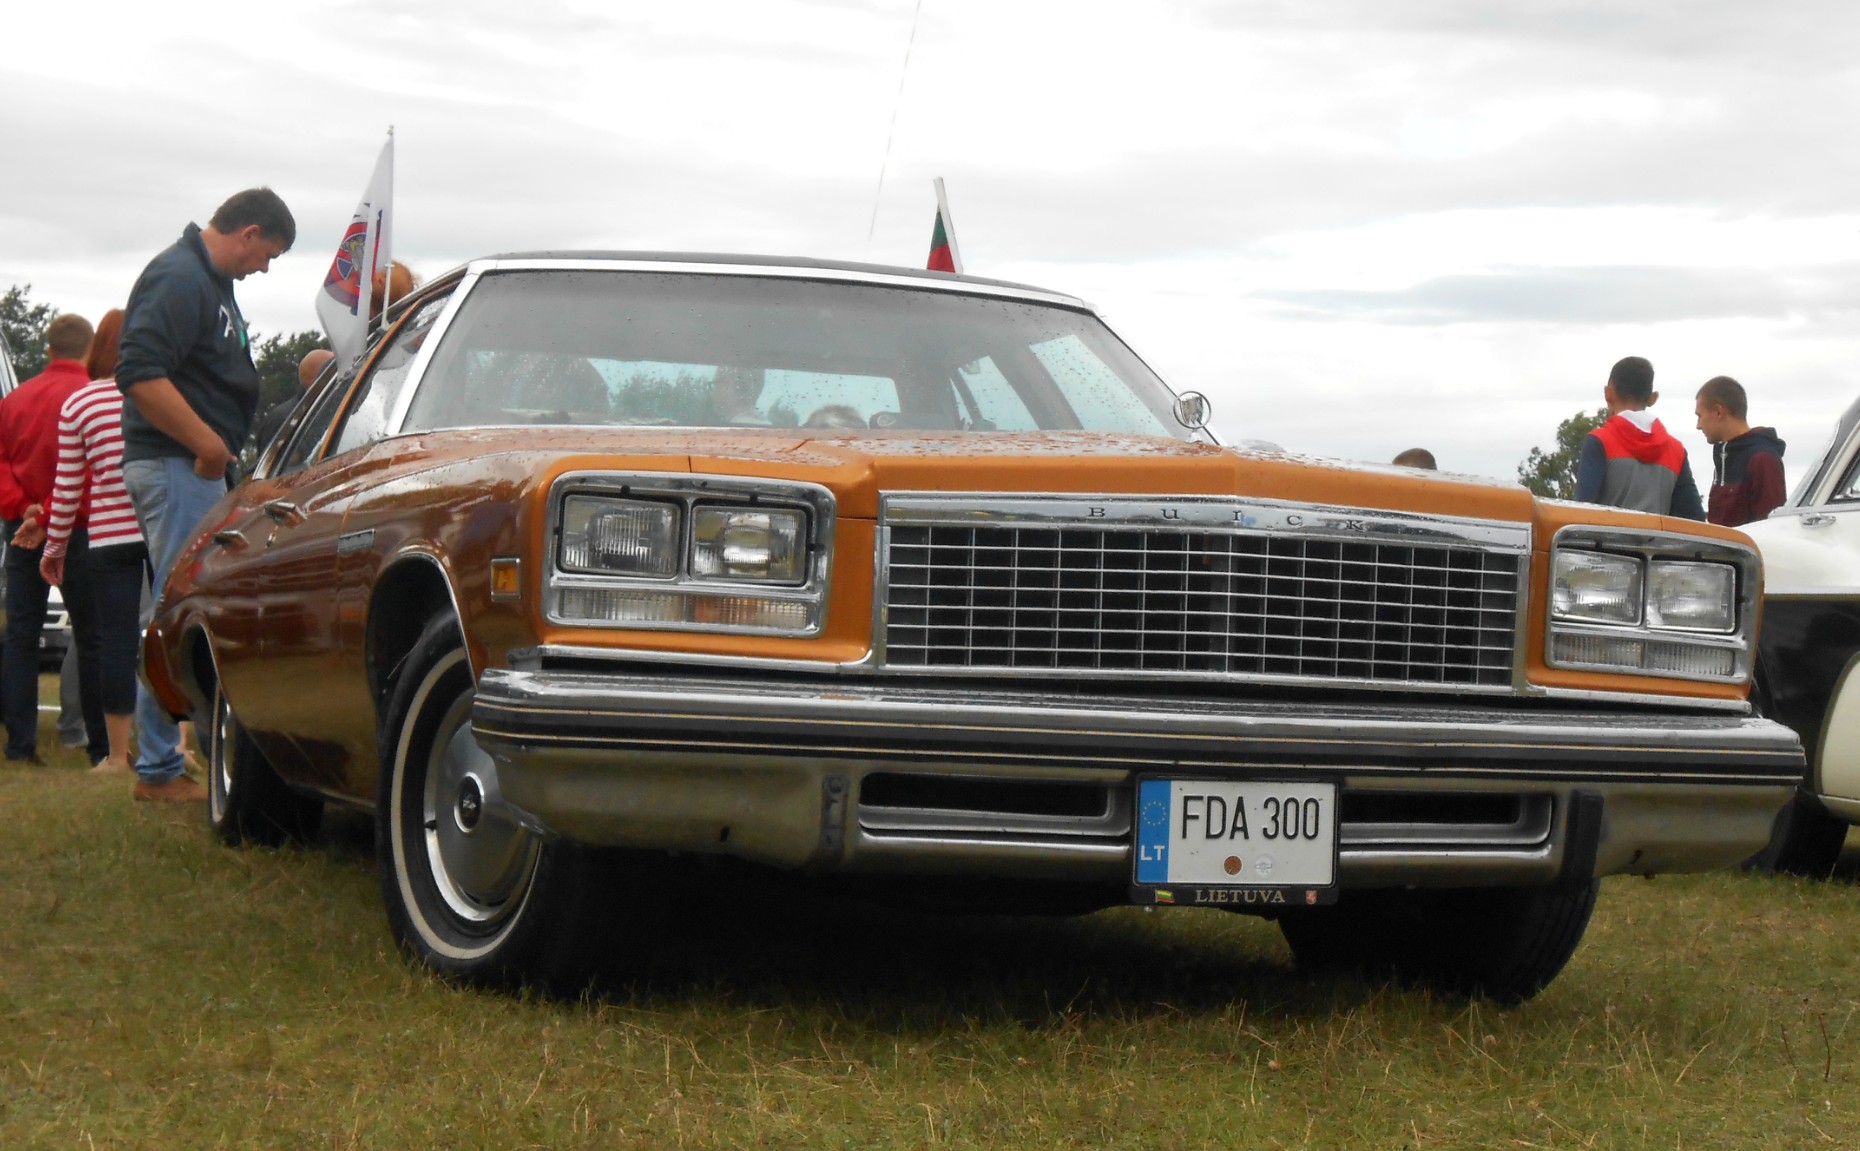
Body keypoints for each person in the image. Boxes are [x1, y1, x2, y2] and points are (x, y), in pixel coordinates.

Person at [117, 187, 295, 801]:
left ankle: (165, 757)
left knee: (178, 604)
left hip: (187, 465)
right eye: (266, 254)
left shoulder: (210, 284)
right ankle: (158, 769)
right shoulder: (180, 277)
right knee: (176, 609)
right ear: (247, 232)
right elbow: (139, 370)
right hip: (177, 465)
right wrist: (205, 443)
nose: (264, 267)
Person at [0, 312, 107, 765]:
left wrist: (26, 509)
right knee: (92, 637)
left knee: (21, 636)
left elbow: (2, 465)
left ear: (48, 350)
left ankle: (21, 744)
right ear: (88, 350)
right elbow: (92, 472)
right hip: (80, 529)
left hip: (21, 527)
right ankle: (101, 744)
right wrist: (53, 513)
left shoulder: (15, 400)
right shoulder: (93, 400)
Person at [41, 308, 145, 774]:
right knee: (167, 634)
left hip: (107, 536)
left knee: (112, 643)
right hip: (159, 528)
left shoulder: (78, 404)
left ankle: (115, 753)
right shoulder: (157, 397)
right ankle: (177, 744)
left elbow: (66, 488)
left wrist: (54, 548)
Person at [1573, 356, 1704, 519]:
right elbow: (1694, 519)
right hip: (1656, 544)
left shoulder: (1599, 441)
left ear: (1608, 393)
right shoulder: (1677, 451)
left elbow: (1581, 512)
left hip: (1606, 543)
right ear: (1652, 398)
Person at [1694, 375, 1787, 527]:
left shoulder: (1762, 460)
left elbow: (1771, 529)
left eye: (1700, 416)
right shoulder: (1724, 457)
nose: (1698, 425)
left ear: (1718, 412)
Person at [253, 346, 332, 451]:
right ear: (317, 379)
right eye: (332, 371)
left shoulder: (334, 409)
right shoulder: (285, 420)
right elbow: (272, 464)